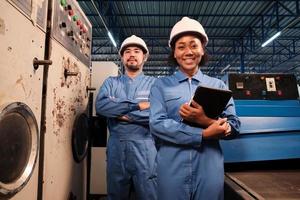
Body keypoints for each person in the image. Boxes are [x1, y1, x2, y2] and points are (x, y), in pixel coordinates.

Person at [149, 17, 241, 200]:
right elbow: (157, 124)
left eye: (193, 45)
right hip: (171, 166)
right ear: (174, 53)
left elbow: (235, 126)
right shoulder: (161, 86)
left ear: (202, 49)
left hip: (209, 167)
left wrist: (204, 121)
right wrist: (203, 134)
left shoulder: (218, 85)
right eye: (181, 47)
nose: (188, 52)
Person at [95, 35, 157, 200]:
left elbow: (155, 115)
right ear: (122, 57)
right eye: (127, 51)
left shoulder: (154, 84)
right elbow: (101, 107)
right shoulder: (111, 82)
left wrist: (120, 113)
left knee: (149, 194)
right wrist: (137, 105)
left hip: (145, 148)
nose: (132, 54)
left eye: (137, 51)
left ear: (144, 57)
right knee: (116, 194)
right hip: (117, 148)